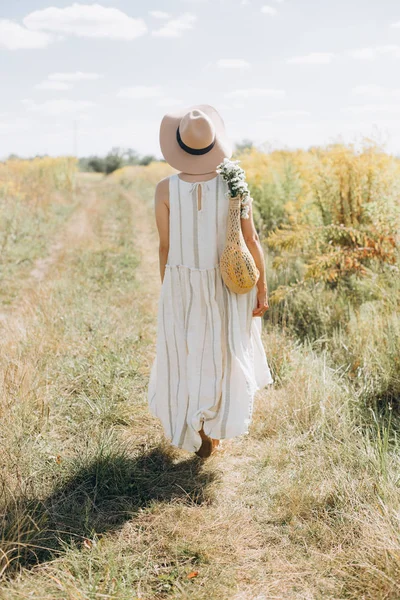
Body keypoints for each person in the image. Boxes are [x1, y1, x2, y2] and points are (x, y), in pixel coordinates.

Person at [147, 104, 273, 459]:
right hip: (227, 282)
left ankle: (196, 423)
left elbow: (165, 246)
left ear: (178, 146)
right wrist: (261, 287)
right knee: (225, 350)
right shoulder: (234, 184)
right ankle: (216, 422)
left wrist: (167, 288)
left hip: (181, 280)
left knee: (187, 351)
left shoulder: (164, 189)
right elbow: (252, 241)